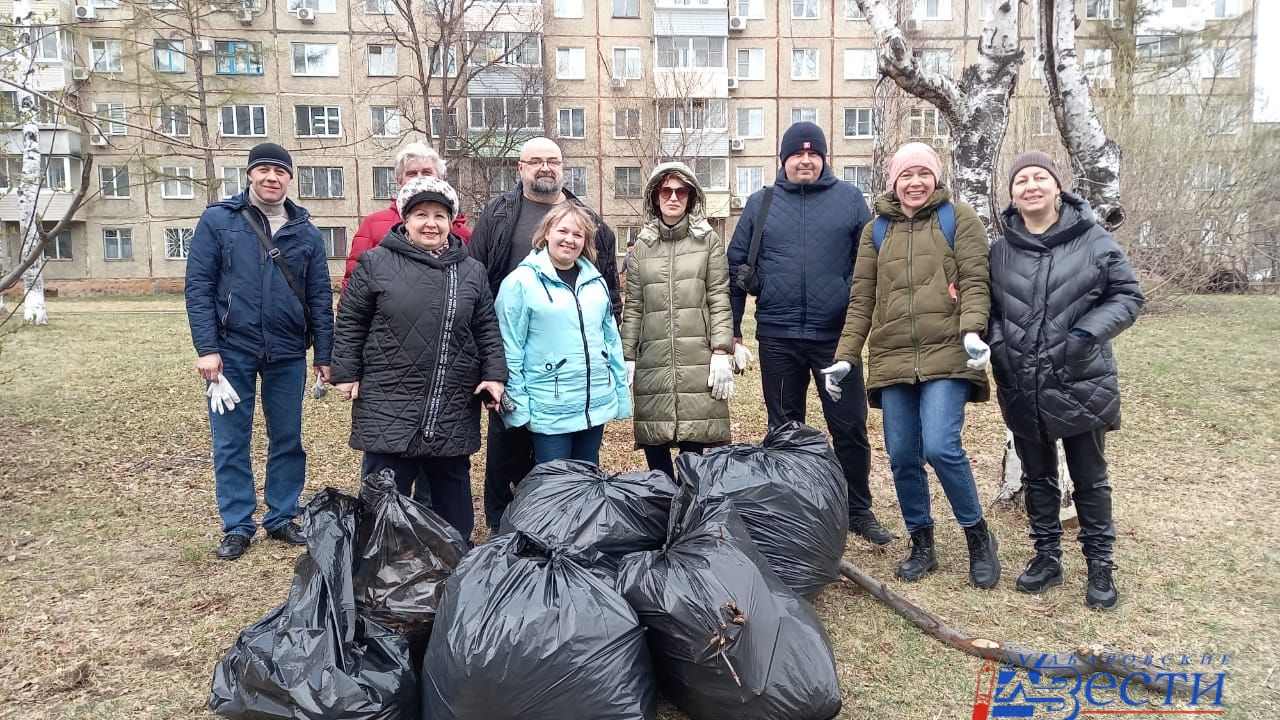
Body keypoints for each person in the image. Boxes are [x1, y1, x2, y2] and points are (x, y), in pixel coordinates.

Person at [823, 142, 999, 589]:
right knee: (902, 455)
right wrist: (845, 357)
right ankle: (922, 542)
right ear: (893, 181)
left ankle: (978, 535)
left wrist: (974, 330)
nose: (915, 182)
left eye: (923, 174)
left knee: (940, 446)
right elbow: (862, 299)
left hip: (949, 352)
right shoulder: (876, 231)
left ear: (936, 178)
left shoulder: (958, 218)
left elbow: (977, 281)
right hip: (893, 356)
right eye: (906, 175)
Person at [990, 152, 1144, 609]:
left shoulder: (1093, 239)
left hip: (1079, 375)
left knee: (1089, 477)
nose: (1031, 185)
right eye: (1021, 180)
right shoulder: (1001, 248)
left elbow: (1128, 295)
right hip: (1021, 378)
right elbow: (991, 308)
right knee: (1038, 475)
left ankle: (1100, 566)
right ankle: (1047, 556)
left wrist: (1084, 334)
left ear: (1058, 188)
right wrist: (998, 344)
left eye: (1041, 177)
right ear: (1012, 194)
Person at [726, 121, 891, 545]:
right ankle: (791, 508)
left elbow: (871, 268)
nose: (805, 160)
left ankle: (858, 509)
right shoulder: (761, 203)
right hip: (778, 336)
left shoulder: (851, 201)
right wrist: (733, 334)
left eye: (812, 154)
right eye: (796, 154)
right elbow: (735, 268)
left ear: (823, 158)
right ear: (783, 160)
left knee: (850, 426)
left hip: (836, 338)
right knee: (784, 426)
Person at [330, 176, 506, 542]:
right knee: (385, 486)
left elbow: (486, 327)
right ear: (405, 220)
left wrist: (494, 374)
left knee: (451, 484)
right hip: (388, 394)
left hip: (452, 397)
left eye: (440, 215)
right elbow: (351, 319)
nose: (431, 223)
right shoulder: (375, 262)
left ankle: (453, 555)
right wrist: (346, 371)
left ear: (450, 222)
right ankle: (378, 557)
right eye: (421, 214)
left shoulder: (470, 269)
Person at [184, 142, 335, 561]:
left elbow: (320, 295)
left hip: (288, 350)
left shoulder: (305, 229)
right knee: (231, 440)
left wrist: (325, 353)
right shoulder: (220, 220)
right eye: (264, 169)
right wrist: (206, 348)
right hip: (231, 350)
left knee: (287, 437)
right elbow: (198, 286)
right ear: (250, 175)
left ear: (290, 178)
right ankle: (237, 524)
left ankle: (282, 515)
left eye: (280, 171)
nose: (272, 177)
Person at [470, 137, 622, 531]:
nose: (544, 167)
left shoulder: (589, 219)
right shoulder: (499, 214)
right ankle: (505, 522)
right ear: (519, 167)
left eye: (552, 160)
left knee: (575, 465)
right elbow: (476, 279)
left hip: (576, 374)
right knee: (508, 448)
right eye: (535, 160)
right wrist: (491, 363)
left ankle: (569, 528)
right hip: (515, 355)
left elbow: (607, 295)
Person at [620, 162, 734, 477]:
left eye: (681, 191)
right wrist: (627, 354)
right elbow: (635, 305)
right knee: (654, 435)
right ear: (656, 196)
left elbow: (719, 297)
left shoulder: (707, 240)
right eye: (666, 190)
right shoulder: (642, 244)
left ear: (691, 196)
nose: (673, 197)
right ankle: (663, 502)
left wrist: (722, 349)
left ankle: (687, 508)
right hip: (653, 356)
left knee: (694, 438)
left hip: (697, 354)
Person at [495, 203, 630, 465]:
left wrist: (620, 394)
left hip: (594, 404)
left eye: (578, 235)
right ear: (547, 233)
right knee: (554, 486)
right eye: (563, 231)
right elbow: (510, 346)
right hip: (550, 406)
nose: (569, 240)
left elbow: (611, 340)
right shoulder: (520, 282)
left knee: (587, 482)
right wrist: (517, 407)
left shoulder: (595, 282)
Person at [342, 142, 471, 290]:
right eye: (412, 173)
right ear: (399, 181)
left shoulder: (459, 232)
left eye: (427, 172)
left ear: (440, 178)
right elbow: (353, 281)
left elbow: (470, 282)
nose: (419, 178)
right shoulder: (373, 224)